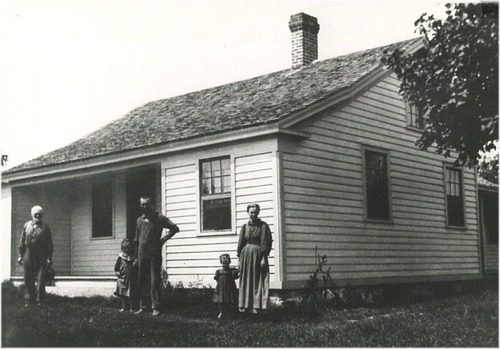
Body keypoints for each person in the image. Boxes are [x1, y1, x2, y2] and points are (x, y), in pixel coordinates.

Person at [134, 196, 179, 316]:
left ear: (151, 204)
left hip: (154, 253)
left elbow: (175, 228)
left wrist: (163, 239)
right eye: (142, 204)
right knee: (141, 280)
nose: (144, 207)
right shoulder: (139, 220)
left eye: (146, 204)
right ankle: (143, 306)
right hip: (141, 253)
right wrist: (135, 257)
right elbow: (136, 239)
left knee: (154, 281)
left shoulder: (159, 217)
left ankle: (156, 307)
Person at [237, 203, 272, 314]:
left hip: (258, 255)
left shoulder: (263, 226)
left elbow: (265, 242)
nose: (253, 214)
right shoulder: (244, 227)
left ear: (258, 213)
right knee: (246, 280)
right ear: (248, 213)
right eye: (251, 212)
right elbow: (241, 243)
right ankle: (245, 307)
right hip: (245, 255)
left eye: (255, 212)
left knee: (257, 280)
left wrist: (264, 257)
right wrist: (239, 259)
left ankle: (257, 308)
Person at [17, 205, 53, 306]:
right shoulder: (26, 226)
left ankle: (40, 301)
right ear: (32, 215)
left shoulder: (46, 227)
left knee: (41, 279)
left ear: (42, 215)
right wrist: (20, 255)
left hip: (41, 255)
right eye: (35, 214)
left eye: (39, 214)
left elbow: (50, 244)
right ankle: (30, 299)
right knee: (28, 278)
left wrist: (49, 258)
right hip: (28, 254)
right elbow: (22, 241)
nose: (37, 216)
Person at [114, 238, 138, 312]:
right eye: (124, 248)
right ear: (122, 248)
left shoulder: (132, 257)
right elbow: (116, 266)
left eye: (128, 248)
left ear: (130, 248)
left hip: (130, 278)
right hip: (123, 277)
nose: (126, 250)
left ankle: (131, 307)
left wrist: (135, 263)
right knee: (123, 294)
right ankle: (124, 307)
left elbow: (134, 267)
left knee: (131, 293)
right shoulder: (121, 257)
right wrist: (117, 272)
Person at [212, 253, 239, 319]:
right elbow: (217, 279)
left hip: (229, 287)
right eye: (223, 263)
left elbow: (236, 276)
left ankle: (229, 313)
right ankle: (221, 312)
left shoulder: (231, 271)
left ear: (229, 263)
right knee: (221, 300)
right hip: (221, 288)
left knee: (229, 300)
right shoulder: (219, 271)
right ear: (221, 263)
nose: (224, 265)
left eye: (226, 263)